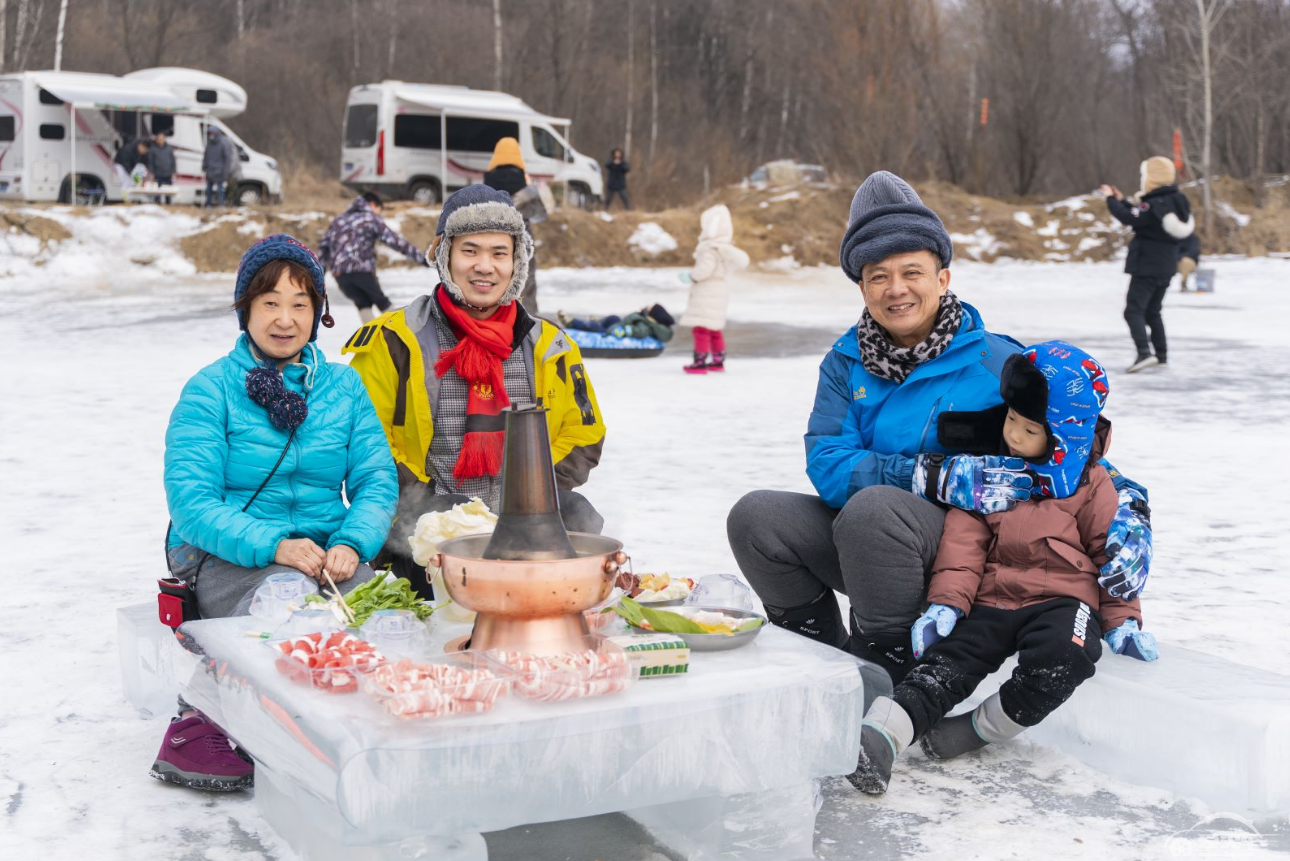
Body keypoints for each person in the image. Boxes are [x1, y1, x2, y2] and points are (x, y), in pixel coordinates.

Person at [726, 171, 1154, 687]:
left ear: (943, 278)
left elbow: (1072, 446)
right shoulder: (844, 363)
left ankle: (888, 663)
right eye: (878, 276)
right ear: (861, 287)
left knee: (874, 510)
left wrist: (1130, 505)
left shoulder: (999, 362)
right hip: (870, 545)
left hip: (970, 555)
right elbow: (828, 462)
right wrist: (930, 477)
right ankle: (816, 658)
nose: (896, 289)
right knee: (757, 517)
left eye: (912, 271)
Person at [848, 341, 1159, 795]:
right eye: (1011, 419)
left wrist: (1123, 621)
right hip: (993, 597)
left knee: (1065, 658)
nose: (1013, 435)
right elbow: (964, 545)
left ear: (1064, 437)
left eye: (1030, 428)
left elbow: (1111, 559)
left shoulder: (1092, 485)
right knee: (944, 665)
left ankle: (978, 728)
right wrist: (946, 604)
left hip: (1063, 602)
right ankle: (880, 736)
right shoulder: (990, 475)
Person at [153, 234, 398, 791]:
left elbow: (376, 480)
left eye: (300, 304)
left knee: (384, 622)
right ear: (246, 310)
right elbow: (192, 503)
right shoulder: (211, 389)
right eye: (270, 303)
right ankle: (201, 720)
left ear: (318, 313)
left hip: (325, 552)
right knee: (286, 612)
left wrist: (352, 541)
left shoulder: (344, 387)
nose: (285, 319)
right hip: (227, 554)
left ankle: (370, 735)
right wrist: (274, 546)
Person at [345, 185, 607, 590]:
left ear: (517, 261)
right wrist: (432, 507)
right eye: (470, 250)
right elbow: (365, 441)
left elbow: (584, 435)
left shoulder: (551, 346)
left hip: (525, 530)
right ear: (443, 254)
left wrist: (529, 500)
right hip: (426, 536)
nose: (485, 266)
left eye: (499, 253)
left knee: (577, 517)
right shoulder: (394, 340)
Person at [1099, 156, 1194, 373]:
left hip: (1147, 265)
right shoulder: (1175, 200)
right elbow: (1140, 216)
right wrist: (1122, 200)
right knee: (1153, 311)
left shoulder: (1154, 203)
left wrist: (1110, 199)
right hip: (1167, 266)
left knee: (1133, 311)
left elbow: (1129, 217)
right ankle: (1161, 355)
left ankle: (1144, 353)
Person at [318, 192, 428, 322]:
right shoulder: (370, 218)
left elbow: (323, 248)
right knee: (382, 302)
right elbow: (396, 241)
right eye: (379, 209)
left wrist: (319, 277)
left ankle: (372, 333)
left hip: (339, 274)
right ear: (373, 204)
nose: (379, 214)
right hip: (361, 270)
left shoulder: (339, 220)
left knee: (362, 303)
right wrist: (423, 259)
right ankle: (401, 329)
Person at [679, 204, 749, 374]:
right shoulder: (725, 249)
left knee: (701, 328)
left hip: (707, 291)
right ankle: (718, 361)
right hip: (720, 291)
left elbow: (705, 270)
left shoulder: (709, 249)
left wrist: (691, 276)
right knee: (714, 328)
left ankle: (700, 362)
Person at [484, 137, 540, 313]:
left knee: (494, 281)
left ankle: (495, 320)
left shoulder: (485, 186)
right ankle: (527, 321)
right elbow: (540, 214)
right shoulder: (527, 188)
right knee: (526, 282)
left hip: (493, 240)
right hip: (523, 239)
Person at [202, 126, 234, 207]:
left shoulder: (223, 144)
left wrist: (225, 172)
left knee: (220, 190)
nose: (211, 135)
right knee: (208, 190)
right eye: (209, 134)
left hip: (219, 171)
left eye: (212, 133)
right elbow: (206, 156)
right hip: (210, 171)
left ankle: (221, 204)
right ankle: (208, 204)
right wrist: (204, 165)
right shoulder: (209, 144)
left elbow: (227, 159)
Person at [146, 130, 176, 205]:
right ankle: (157, 204)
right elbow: (150, 162)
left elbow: (173, 161)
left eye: (162, 139)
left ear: (164, 139)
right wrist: (152, 172)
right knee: (157, 191)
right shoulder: (153, 149)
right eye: (159, 139)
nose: (160, 141)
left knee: (168, 191)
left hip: (168, 173)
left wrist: (173, 171)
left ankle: (168, 204)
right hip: (157, 174)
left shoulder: (169, 148)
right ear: (156, 140)